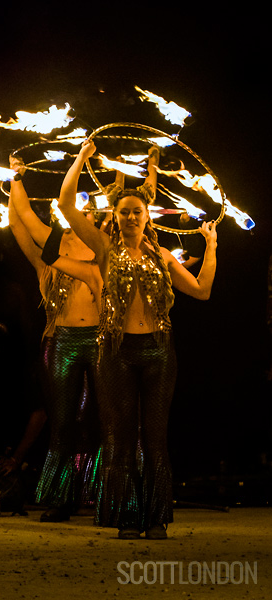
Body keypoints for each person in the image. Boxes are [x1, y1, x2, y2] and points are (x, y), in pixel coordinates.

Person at [57, 139, 217, 540]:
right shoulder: (105, 248)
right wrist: (81, 158)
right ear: (116, 215)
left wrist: (211, 245)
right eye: (124, 211)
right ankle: (128, 517)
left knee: (156, 437)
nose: (130, 217)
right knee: (120, 436)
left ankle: (156, 518)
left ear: (148, 217)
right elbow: (66, 204)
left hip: (159, 351)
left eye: (136, 212)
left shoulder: (163, 256)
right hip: (116, 352)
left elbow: (201, 291)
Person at [6, 157, 102, 523]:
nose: (81, 215)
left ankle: (98, 495)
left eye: (87, 209)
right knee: (64, 421)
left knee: (95, 420)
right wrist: (16, 177)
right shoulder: (49, 255)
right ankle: (61, 498)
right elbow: (20, 221)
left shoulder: (102, 249)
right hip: (60, 341)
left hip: (99, 341)